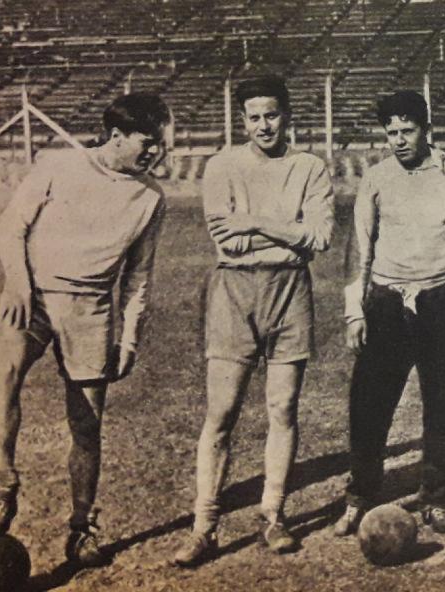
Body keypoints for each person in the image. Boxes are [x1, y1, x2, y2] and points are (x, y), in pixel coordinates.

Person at [0, 93, 170, 567]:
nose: (157, 151)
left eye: (161, 142)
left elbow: (138, 277)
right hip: (33, 297)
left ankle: (81, 528)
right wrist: (20, 286)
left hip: (90, 310)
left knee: (86, 426)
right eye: (148, 142)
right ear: (116, 136)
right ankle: (3, 481)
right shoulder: (59, 165)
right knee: (4, 376)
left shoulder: (151, 197)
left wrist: (129, 338)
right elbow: (10, 227)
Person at [174, 75, 335, 566]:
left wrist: (256, 222)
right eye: (255, 117)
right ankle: (205, 526)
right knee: (221, 414)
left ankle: (273, 515)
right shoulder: (222, 165)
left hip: (290, 293)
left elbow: (322, 237)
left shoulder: (309, 167)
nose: (264, 125)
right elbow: (228, 242)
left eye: (272, 115)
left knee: (282, 409)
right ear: (243, 120)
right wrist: (289, 232)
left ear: (287, 116)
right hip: (233, 294)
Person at [333, 90, 445, 537]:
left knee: (442, 403)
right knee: (369, 404)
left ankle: (437, 498)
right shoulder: (377, 178)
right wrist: (354, 312)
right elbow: (358, 247)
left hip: (443, 300)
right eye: (392, 132)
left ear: (427, 130)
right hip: (386, 301)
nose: (399, 140)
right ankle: (360, 495)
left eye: (408, 131)